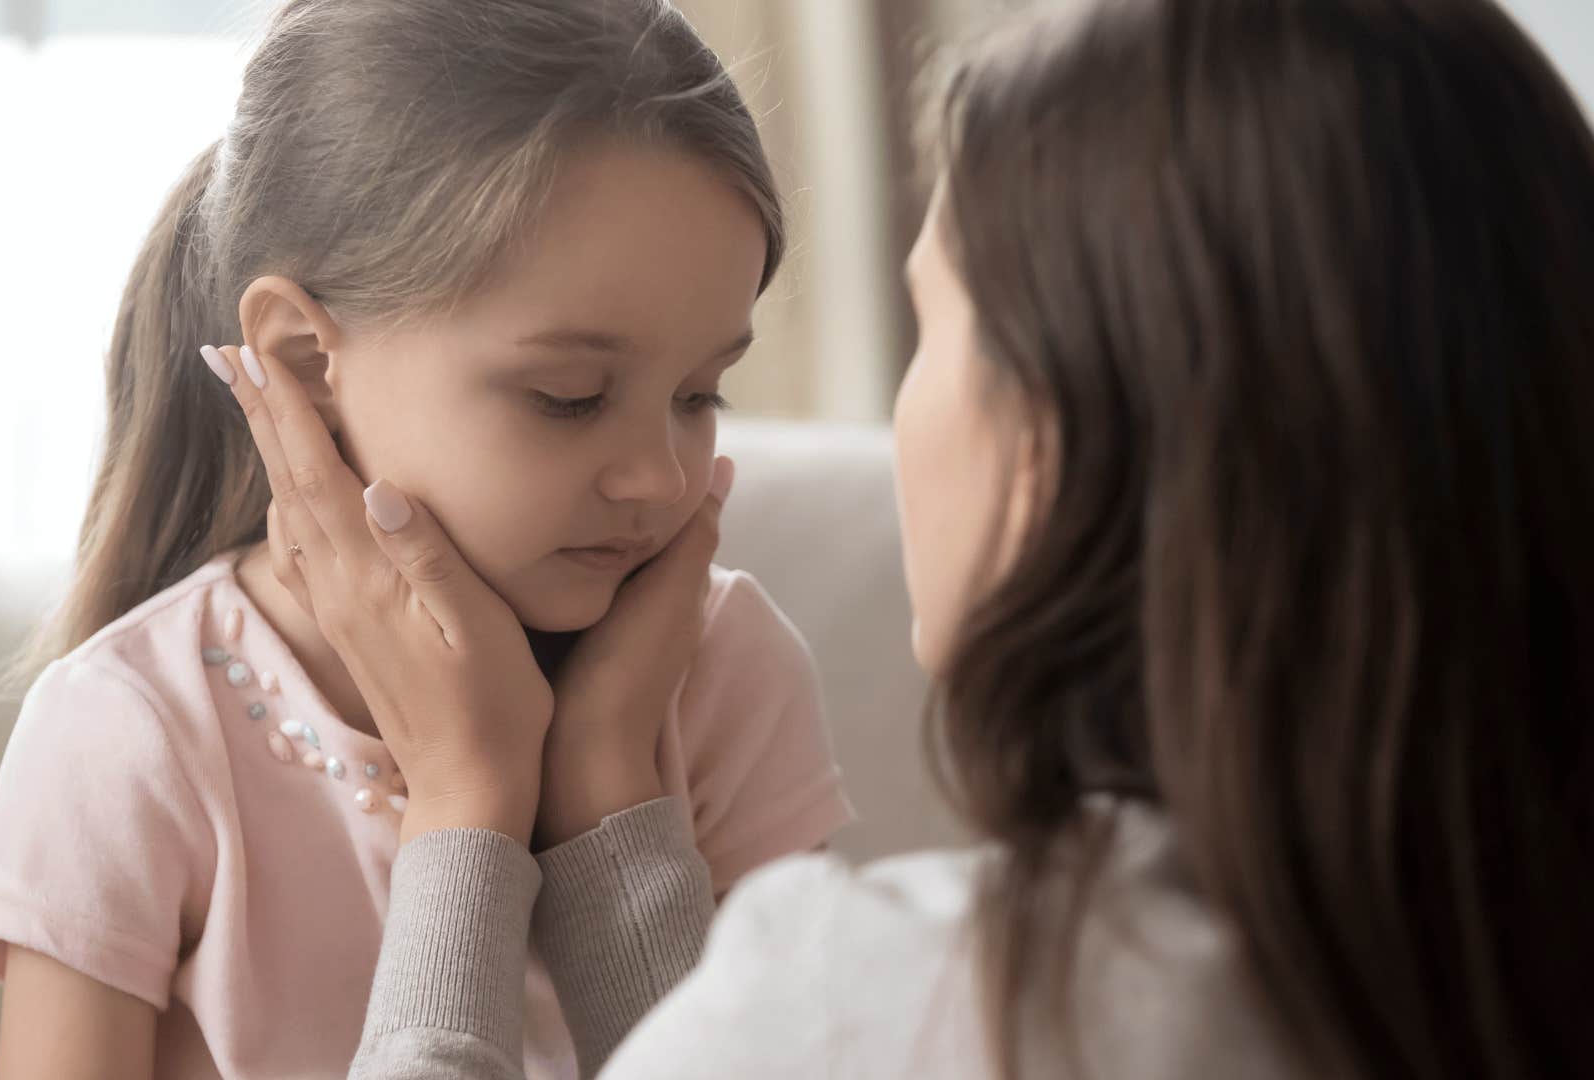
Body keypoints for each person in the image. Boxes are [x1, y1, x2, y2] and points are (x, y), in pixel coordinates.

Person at [222, 0, 1594, 1076]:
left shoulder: (898, 1006)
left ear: (1055, 443)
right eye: (574, 396)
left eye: (937, 329)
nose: (659, 470)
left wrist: (474, 804)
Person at [0, 2, 853, 1076]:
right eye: (569, 395)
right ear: (308, 361)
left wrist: (610, 781)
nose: (659, 475)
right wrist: (471, 800)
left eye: (703, 395)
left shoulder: (724, 674)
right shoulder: (131, 733)